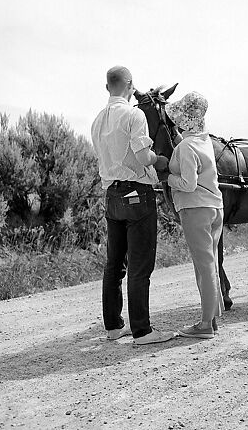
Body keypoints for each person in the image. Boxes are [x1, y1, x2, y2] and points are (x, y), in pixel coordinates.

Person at [91, 65, 175, 345]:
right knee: (140, 265)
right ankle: (142, 331)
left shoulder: (96, 121)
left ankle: (114, 326)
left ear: (107, 87)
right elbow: (142, 155)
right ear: (130, 86)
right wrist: (159, 160)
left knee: (114, 263)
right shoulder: (134, 114)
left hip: (112, 195)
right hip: (137, 193)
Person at [163, 91, 225, 339]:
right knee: (210, 264)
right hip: (214, 207)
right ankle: (212, 317)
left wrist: (168, 178)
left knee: (204, 266)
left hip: (195, 209)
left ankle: (205, 325)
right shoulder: (203, 140)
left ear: (184, 119)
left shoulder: (187, 147)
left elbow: (188, 184)